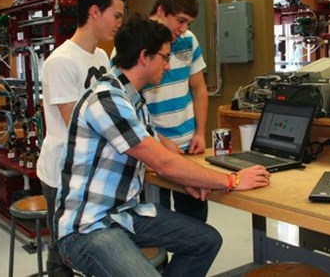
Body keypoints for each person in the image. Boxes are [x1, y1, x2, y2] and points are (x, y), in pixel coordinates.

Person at [55, 14, 271, 277]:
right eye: (165, 58)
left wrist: (192, 178)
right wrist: (232, 180)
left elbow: (163, 151)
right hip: (88, 228)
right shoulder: (106, 100)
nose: (168, 66)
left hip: (124, 214)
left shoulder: (133, 101)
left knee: (206, 241)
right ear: (145, 56)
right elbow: (163, 163)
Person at [36, 0, 127, 276]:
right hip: (62, 172)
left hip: (90, 169)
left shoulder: (101, 57)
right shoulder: (61, 61)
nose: (119, 23)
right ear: (94, 11)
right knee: (63, 250)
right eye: (117, 15)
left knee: (94, 244)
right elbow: (76, 124)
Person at [147, 0, 210, 222]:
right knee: (157, 229)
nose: (184, 29)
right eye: (180, 21)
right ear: (161, 11)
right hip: (154, 152)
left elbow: (199, 88)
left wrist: (200, 133)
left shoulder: (187, 40)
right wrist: (160, 143)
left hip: (187, 149)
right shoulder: (136, 44)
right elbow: (129, 108)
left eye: (189, 23)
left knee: (196, 228)